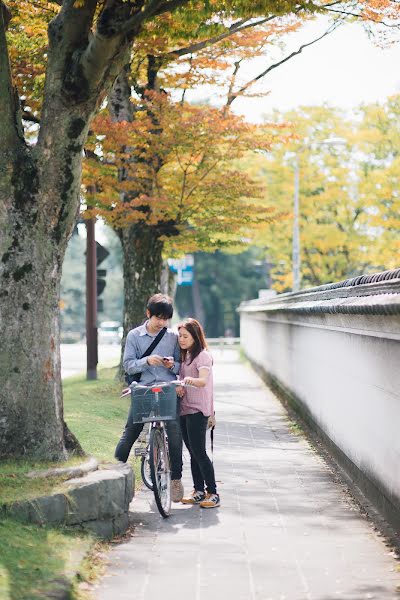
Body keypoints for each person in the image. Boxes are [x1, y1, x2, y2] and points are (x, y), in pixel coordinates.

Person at [115, 293, 184, 503]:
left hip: (167, 389)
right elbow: (127, 365)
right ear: (148, 314)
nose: (161, 323)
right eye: (158, 318)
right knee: (131, 430)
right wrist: (147, 361)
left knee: (174, 431)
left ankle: (176, 479)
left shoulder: (172, 336)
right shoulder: (134, 336)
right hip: (143, 388)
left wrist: (172, 365)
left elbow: (182, 366)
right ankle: (115, 473)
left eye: (165, 319)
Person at [177, 318, 220, 509]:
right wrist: (180, 386)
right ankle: (199, 491)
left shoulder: (203, 356)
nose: (182, 340)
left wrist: (188, 380)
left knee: (200, 453)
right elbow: (182, 380)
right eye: (180, 336)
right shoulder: (185, 357)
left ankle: (213, 492)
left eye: (185, 336)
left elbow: (203, 381)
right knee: (193, 452)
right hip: (185, 409)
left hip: (197, 410)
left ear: (195, 336)